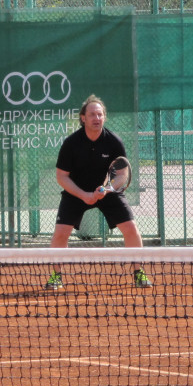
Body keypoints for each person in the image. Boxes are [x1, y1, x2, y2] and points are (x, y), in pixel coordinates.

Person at [45, 95, 152, 290]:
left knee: (131, 230)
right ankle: (55, 276)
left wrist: (108, 188)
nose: (97, 118)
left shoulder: (114, 142)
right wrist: (84, 195)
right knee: (60, 234)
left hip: (107, 192)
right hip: (76, 193)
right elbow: (62, 177)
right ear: (83, 118)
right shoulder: (71, 143)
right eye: (92, 114)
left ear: (104, 117)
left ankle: (139, 273)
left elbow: (122, 174)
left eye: (100, 114)